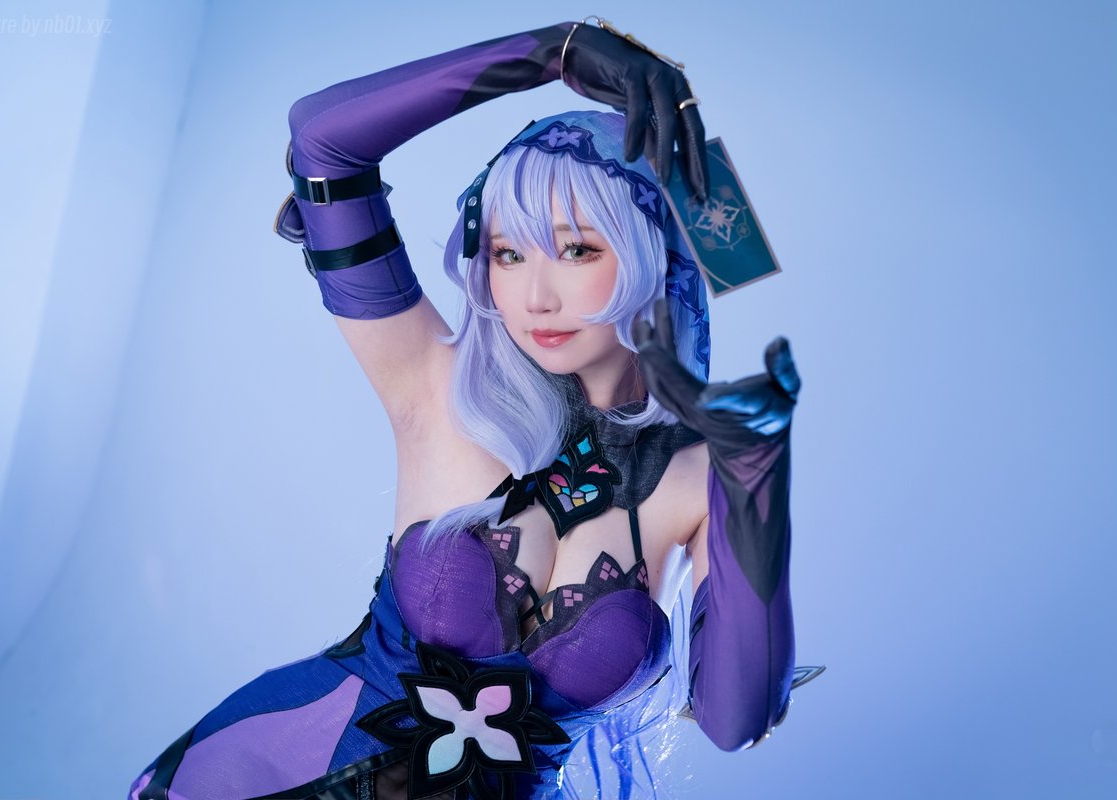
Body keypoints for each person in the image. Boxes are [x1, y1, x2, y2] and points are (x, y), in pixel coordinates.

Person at [129, 18, 808, 800]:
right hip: (276, 777)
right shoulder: (438, 380)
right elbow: (323, 141)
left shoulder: (703, 475)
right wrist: (550, 52)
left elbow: (734, 721)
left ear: (652, 254)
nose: (535, 294)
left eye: (578, 249)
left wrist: (758, 473)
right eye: (508, 252)